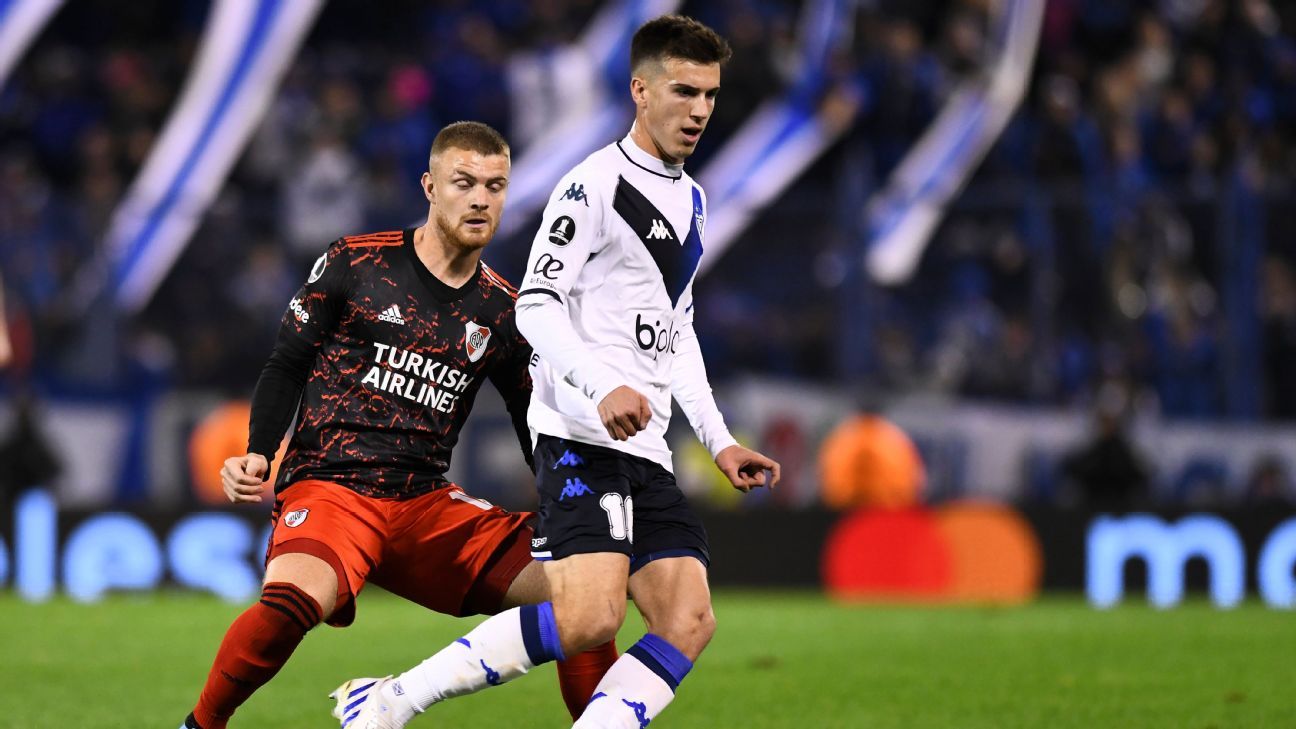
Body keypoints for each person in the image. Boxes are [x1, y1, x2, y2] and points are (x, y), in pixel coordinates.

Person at [334, 16, 781, 728]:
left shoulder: (693, 199)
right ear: (640, 90)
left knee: (688, 618)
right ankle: (390, 700)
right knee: (586, 618)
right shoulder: (592, 186)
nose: (699, 110)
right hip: (581, 432)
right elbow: (534, 308)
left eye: (710, 95)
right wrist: (602, 388)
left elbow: (677, 329)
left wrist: (719, 438)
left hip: (646, 445)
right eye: (683, 91)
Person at [180, 121, 615, 729]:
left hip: (426, 506)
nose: (481, 198)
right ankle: (200, 726)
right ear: (430, 186)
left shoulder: (505, 311)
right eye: (464, 183)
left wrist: (570, 508)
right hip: (332, 488)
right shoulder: (355, 261)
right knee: (289, 604)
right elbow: (286, 363)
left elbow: (533, 425)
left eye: (495, 186)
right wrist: (259, 451)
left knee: (581, 590)